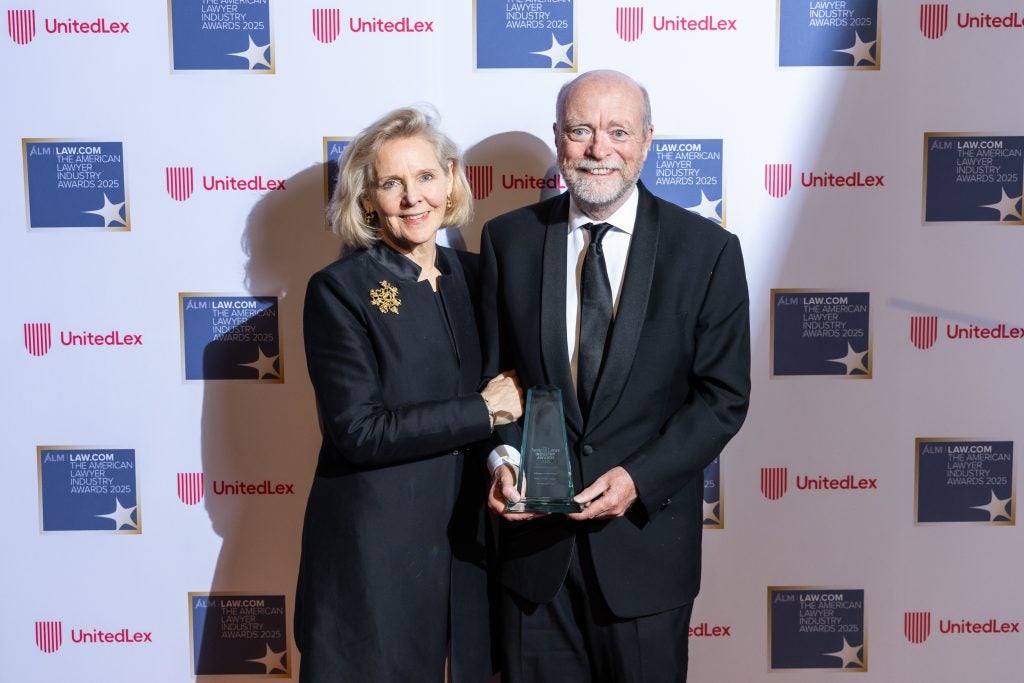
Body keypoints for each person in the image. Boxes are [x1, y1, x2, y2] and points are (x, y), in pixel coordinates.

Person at [480, 70, 751, 682]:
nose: (598, 148)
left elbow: (723, 398)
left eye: (618, 131)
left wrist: (637, 478)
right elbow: (494, 381)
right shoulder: (509, 241)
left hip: (644, 555)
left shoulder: (706, 251)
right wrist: (502, 459)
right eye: (581, 130)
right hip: (533, 560)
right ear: (558, 137)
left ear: (648, 139)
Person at [295, 106, 522, 682]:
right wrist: (482, 410)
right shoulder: (339, 291)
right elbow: (359, 430)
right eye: (391, 183)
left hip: (470, 544)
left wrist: (504, 456)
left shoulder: (479, 276)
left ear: (450, 180)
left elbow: (508, 394)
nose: (412, 197)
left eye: (425, 176)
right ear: (366, 199)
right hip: (375, 554)